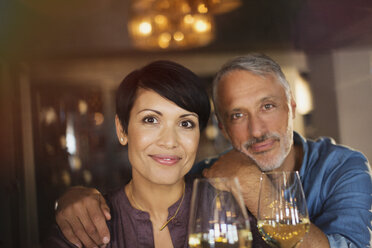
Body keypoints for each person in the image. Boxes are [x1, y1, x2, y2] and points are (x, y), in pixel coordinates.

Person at [54, 54, 372, 248]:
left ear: (291, 107)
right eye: (237, 115)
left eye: (268, 106)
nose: (257, 129)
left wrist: (249, 183)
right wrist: (73, 197)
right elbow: (157, 180)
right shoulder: (207, 176)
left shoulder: (343, 167)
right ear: (222, 127)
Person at [44, 60, 213, 247]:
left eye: (186, 123)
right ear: (122, 130)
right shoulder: (84, 227)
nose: (170, 141)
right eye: (150, 120)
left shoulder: (227, 210)